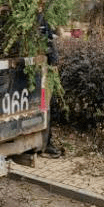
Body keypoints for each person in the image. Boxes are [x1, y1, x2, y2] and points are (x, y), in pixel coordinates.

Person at [38, 11, 62, 159]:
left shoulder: (41, 16)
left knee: (46, 106)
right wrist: (53, 61)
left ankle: (46, 142)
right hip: (42, 70)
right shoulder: (38, 18)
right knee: (45, 106)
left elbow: (49, 39)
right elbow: (46, 42)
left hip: (45, 70)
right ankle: (45, 144)